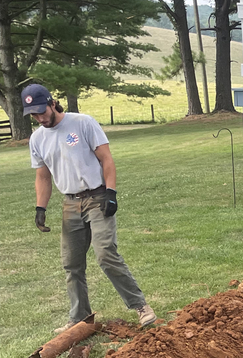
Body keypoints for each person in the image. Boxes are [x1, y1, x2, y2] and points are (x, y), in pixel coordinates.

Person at [24, 84, 156, 330]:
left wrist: (111, 192)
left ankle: (140, 306)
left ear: (53, 103)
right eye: (34, 115)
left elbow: (106, 159)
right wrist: (40, 208)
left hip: (97, 197)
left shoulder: (83, 123)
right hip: (70, 203)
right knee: (72, 264)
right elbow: (42, 176)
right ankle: (79, 319)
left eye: (42, 111)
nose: (40, 118)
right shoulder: (37, 139)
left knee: (105, 253)